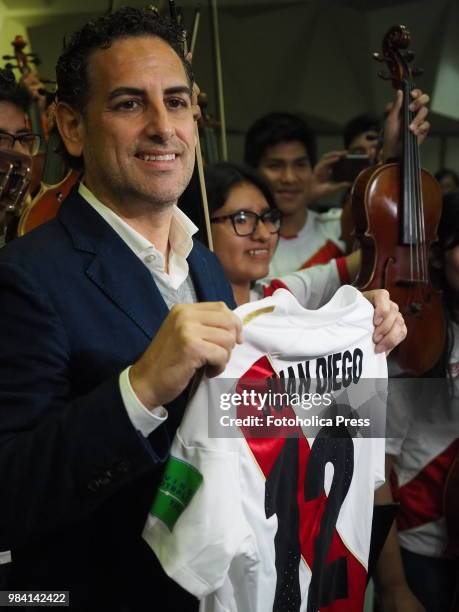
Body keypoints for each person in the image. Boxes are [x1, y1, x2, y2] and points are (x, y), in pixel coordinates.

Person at [0, 8, 241, 611]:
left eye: (178, 102)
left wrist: (347, 355)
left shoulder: (205, 265)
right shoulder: (24, 278)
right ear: (71, 128)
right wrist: (138, 390)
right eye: (130, 104)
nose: (164, 128)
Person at [207, 161, 406, 353]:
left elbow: (368, 256)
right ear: (201, 225)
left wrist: (368, 306)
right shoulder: (192, 318)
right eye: (241, 219)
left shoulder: (276, 295)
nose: (263, 234)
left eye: (268, 218)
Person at [375, 191, 459, 612]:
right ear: (440, 255)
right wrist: (393, 587)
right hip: (419, 550)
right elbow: (378, 471)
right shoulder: (421, 337)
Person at [244, 94, 430, 278]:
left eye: (300, 165)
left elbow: (387, 246)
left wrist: (391, 157)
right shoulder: (245, 242)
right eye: (275, 166)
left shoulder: (340, 227)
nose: (289, 178)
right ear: (254, 170)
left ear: (312, 167)